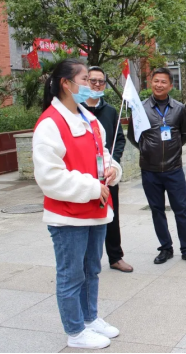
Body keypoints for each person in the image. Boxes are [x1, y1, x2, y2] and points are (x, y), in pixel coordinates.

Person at [33, 59, 123, 350]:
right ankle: (75, 332)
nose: (90, 85)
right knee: (71, 276)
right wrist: (92, 187)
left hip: (96, 210)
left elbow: (102, 154)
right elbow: (49, 177)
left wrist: (112, 169)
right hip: (68, 216)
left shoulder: (90, 119)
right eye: (85, 79)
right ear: (66, 83)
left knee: (91, 270)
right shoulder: (50, 123)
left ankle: (89, 318)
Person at [128, 68, 186, 266]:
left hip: (174, 169)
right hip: (149, 170)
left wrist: (173, 150)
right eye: (156, 81)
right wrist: (147, 149)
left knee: (182, 210)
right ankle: (165, 248)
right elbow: (133, 135)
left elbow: (184, 134)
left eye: (163, 82)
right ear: (151, 82)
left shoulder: (179, 108)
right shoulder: (140, 108)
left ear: (170, 85)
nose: (159, 85)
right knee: (157, 210)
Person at [82, 67, 132, 273]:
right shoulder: (76, 110)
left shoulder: (110, 111)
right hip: (84, 175)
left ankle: (115, 257)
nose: (97, 85)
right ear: (85, 82)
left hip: (107, 174)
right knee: (85, 217)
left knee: (112, 215)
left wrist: (114, 164)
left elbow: (119, 140)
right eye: (92, 80)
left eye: (101, 81)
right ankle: (85, 259)